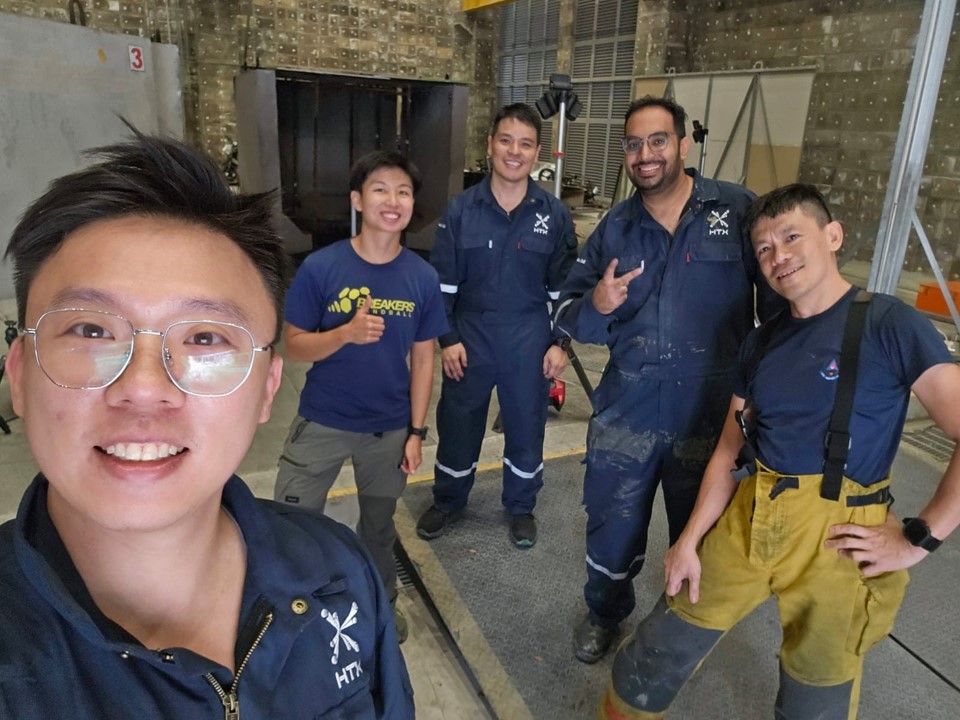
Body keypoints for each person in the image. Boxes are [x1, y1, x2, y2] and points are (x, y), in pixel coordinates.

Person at [0, 132, 414, 718]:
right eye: (91, 331)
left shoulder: (339, 572)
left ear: (268, 388)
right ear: (19, 374)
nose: (143, 386)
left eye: (205, 338)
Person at [599, 184, 960, 720]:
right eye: (764, 248)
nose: (778, 256)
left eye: (792, 236)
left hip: (838, 539)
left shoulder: (889, 325)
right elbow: (729, 447)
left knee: (814, 703)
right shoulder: (762, 341)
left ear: (832, 235)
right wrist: (689, 541)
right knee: (650, 655)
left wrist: (919, 538)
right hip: (752, 515)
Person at [554, 95, 784, 662]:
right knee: (613, 524)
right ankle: (607, 612)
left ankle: (685, 623)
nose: (645, 154)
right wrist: (599, 303)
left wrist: (767, 390)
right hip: (628, 406)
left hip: (711, 408)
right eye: (633, 145)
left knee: (701, 530)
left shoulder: (735, 211)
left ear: (683, 144)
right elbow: (564, 311)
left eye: (658, 140)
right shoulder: (616, 227)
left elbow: (779, 308)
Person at [274, 150, 447, 644]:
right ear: (357, 200)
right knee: (296, 525)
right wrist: (343, 335)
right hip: (323, 422)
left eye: (404, 192)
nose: (392, 201)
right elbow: (295, 344)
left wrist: (416, 432)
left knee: (378, 527)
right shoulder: (322, 268)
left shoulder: (422, 278)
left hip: (387, 431)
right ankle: (293, 614)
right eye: (380, 190)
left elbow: (423, 361)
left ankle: (381, 606)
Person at [415, 103, 578, 548]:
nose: (514, 151)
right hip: (469, 338)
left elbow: (564, 290)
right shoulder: (461, 210)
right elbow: (441, 287)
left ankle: (521, 506)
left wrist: (560, 342)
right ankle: (449, 500)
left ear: (537, 152)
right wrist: (446, 340)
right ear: (490, 146)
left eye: (525, 144)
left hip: (528, 340)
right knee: (458, 422)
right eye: (505, 140)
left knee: (527, 425)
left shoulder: (554, 215)